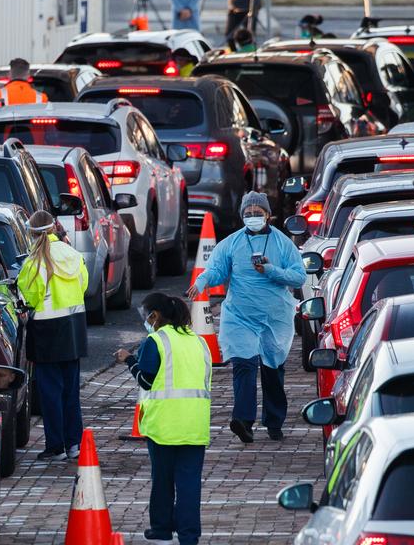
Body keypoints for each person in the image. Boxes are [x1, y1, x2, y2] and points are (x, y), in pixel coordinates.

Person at [186, 192, 304, 443]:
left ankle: (274, 422)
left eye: (257, 213)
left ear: (268, 215)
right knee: (243, 365)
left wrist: (271, 270)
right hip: (240, 316)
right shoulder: (231, 243)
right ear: (241, 216)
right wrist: (202, 281)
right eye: (247, 214)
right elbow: (217, 269)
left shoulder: (283, 243)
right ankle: (243, 421)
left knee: (272, 368)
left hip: (275, 317)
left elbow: (298, 276)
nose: (252, 217)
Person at [114, 293, 211, 545]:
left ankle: (162, 529)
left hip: (165, 425)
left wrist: (129, 360)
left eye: (147, 316)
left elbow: (146, 379)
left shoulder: (155, 340)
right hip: (195, 424)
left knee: (163, 481)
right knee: (189, 484)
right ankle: (189, 536)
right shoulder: (199, 342)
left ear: (155, 316)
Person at [17, 210, 89, 460]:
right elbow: (84, 284)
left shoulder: (34, 261)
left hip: (47, 332)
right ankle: (74, 444)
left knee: (50, 392)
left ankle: (55, 446)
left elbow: (29, 296)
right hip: (74, 328)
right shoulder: (72, 254)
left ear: (33, 233)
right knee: (71, 390)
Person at [0, 58, 50, 125]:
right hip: (34, 141)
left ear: (10, 74)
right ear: (28, 75)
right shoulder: (41, 98)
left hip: (5, 140)